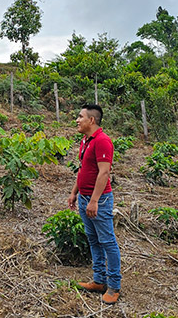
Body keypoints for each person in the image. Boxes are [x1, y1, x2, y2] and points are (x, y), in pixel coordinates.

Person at [67, 103, 122, 304]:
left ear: (91, 120)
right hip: (85, 199)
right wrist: (74, 193)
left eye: (80, 116)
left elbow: (104, 172)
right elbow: (83, 169)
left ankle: (114, 285)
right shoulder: (86, 140)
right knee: (93, 240)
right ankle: (99, 280)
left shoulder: (103, 141)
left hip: (99, 201)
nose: (77, 120)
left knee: (107, 242)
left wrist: (94, 201)